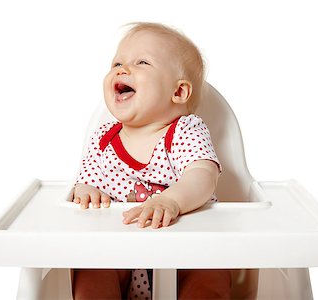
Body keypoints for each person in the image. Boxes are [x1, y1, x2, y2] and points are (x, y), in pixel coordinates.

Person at [72, 22, 231, 300]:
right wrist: (86, 193)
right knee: (91, 269)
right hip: (120, 254)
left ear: (179, 92)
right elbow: (85, 183)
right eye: (117, 62)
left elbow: (202, 175)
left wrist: (171, 201)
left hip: (187, 251)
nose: (122, 69)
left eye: (142, 62)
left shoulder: (185, 131)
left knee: (210, 272)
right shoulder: (103, 140)